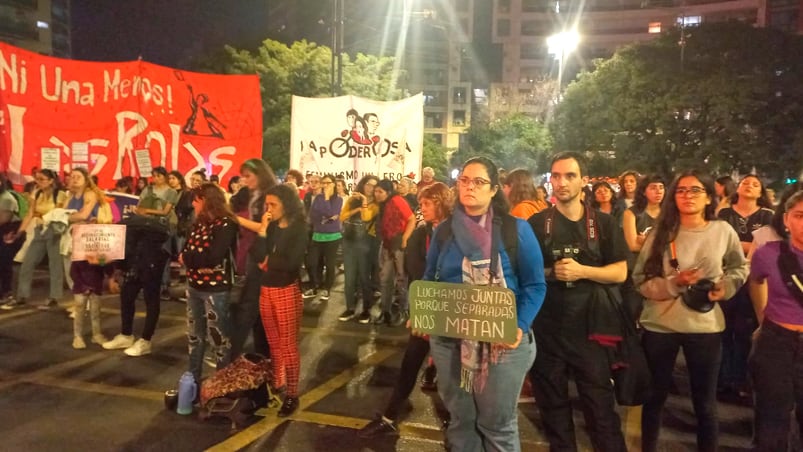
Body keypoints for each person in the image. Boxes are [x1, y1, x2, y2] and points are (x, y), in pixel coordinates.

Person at [423, 156, 545, 451]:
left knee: (497, 427)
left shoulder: (516, 230)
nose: (469, 187)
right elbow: (429, 278)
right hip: (449, 339)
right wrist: (421, 313)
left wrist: (519, 325)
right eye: (464, 180)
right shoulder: (444, 231)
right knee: (461, 421)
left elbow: (535, 285)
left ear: (494, 190)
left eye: (479, 182)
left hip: (502, 342)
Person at [633, 170, 748, 452]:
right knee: (654, 399)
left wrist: (727, 286)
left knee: (705, 404)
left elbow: (739, 267)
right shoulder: (661, 232)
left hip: (705, 328)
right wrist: (675, 284)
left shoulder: (723, 231)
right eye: (681, 191)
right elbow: (640, 281)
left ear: (709, 197)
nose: (687, 196)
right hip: (660, 326)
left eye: (695, 190)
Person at [528, 152, 628, 452]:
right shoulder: (537, 223)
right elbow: (526, 273)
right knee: (553, 411)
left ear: (584, 181)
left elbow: (621, 271)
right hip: (548, 329)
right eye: (555, 176)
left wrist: (583, 270)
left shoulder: (604, 223)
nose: (561, 182)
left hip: (592, 331)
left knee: (600, 411)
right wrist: (551, 272)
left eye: (570, 176)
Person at [358, 182, 454, 438]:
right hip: (426, 306)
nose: (421, 208)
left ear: (441, 203)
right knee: (410, 364)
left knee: (452, 375)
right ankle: (390, 416)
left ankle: (457, 425)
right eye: (420, 204)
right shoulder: (423, 234)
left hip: (452, 309)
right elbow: (415, 270)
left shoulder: (458, 233)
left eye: (426, 204)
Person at [748, 190, 803, 451]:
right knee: (772, 419)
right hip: (775, 341)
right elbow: (755, 281)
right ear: (786, 220)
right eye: (800, 216)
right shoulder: (767, 253)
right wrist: (763, 317)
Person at [716, 174, 774, 399]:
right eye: (745, 182)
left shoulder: (767, 216)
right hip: (725, 275)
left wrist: (736, 245)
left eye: (755, 184)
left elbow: (766, 246)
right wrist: (750, 243)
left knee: (744, 330)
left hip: (755, 279)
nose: (749, 186)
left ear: (761, 193)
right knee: (722, 328)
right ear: (737, 188)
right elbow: (718, 243)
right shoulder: (724, 213)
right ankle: (721, 378)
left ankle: (739, 379)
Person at [254, 183, 308, 417]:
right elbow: (258, 255)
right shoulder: (273, 227)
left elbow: (291, 263)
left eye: (273, 205)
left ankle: (292, 394)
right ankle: (278, 382)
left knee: (288, 345)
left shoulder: (300, 228)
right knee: (273, 342)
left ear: (287, 205)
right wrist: (264, 231)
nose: (269, 209)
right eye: (267, 205)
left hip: (286, 289)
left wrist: (269, 260)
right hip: (266, 288)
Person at [180, 183, 238, 384]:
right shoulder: (197, 223)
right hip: (194, 286)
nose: (193, 204)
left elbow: (214, 256)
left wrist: (194, 260)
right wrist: (196, 261)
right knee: (195, 336)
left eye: (196, 200)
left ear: (206, 200)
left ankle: (221, 383)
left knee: (219, 339)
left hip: (216, 289)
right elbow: (184, 252)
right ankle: (192, 378)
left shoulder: (226, 224)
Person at [230, 158, 278, 360]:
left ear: (261, 174)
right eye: (243, 176)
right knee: (256, 306)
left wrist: (237, 219)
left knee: (247, 305)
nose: (244, 180)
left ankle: (231, 353)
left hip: (262, 254)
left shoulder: (271, 196)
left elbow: (264, 227)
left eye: (248, 176)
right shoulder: (249, 195)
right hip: (249, 252)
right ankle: (263, 354)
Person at [2, 169, 67, 310]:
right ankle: (22, 296)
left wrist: (44, 219)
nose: (39, 182)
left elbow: (60, 214)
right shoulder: (36, 193)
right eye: (37, 179)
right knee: (28, 262)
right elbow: (29, 214)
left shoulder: (60, 195)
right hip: (39, 230)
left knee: (54, 264)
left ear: (51, 181)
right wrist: (19, 233)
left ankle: (54, 296)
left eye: (42, 179)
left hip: (53, 231)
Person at [65, 168, 110, 349]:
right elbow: (64, 216)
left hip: (93, 245)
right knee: (79, 295)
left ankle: (96, 333)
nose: (74, 179)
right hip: (74, 247)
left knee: (96, 294)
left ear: (86, 180)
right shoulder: (68, 197)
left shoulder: (90, 194)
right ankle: (77, 335)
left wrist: (68, 217)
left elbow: (82, 216)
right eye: (72, 176)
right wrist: (72, 218)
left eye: (78, 176)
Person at [621, 174, 665, 318]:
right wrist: (659, 244)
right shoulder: (631, 213)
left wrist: (646, 240)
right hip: (636, 270)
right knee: (633, 312)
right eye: (653, 188)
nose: (658, 191)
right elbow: (633, 245)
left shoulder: (668, 214)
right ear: (643, 191)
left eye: (661, 188)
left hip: (661, 270)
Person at [373, 179, 416, 325]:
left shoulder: (397, 200)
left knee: (401, 280)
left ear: (388, 192)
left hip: (398, 245)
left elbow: (411, 219)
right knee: (385, 279)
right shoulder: (383, 204)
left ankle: (404, 311)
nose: (377, 194)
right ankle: (385, 311)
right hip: (387, 244)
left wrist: (404, 239)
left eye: (380, 191)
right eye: (376, 191)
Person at [338, 175, 380, 324]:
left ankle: (366, 310)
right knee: (349, 278)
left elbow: (366, 217)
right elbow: (342, 217)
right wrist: (356, 206)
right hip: (349, 241)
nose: (371, 188)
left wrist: (363, 201)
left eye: (374, 186)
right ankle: (350, 308)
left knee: (364, 278)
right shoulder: (351, 199)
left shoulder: (376, 204)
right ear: (363, 184)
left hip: (366, 243)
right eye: (368, 184)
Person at [303, 174, 343, 303]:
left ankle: (327, 289)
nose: (325, 185)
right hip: (317, 234)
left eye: (328, 183)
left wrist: (326, 200)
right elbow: (314, 215)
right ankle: (315, 286)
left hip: (333, 236)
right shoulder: (317, 198)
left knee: (329, 264)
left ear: (333, 184)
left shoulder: (338, 199)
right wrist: (328, 216)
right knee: (313, 263)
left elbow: (330, 213)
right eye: (323, 183)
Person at [0, 174, 24, 303]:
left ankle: (6, 292)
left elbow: (4, 219)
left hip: (9, 230)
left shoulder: (7, 199)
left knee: (4, 261)